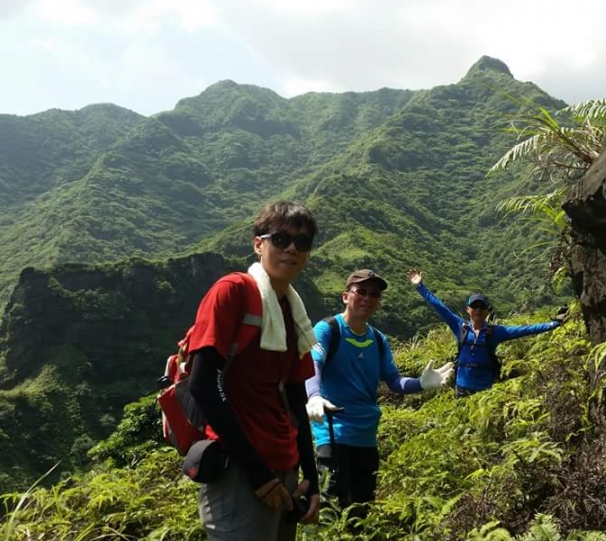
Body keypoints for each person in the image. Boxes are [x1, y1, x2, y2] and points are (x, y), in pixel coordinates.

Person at [188, 200, 321, 540]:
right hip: (240, 469)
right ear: (258, 243)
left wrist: (312, 478)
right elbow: (203, 384)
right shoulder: (233, 291)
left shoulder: (291, 309)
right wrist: (257, 472)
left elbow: (295, 397)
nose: (291, 248)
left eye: (302, 243)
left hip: (284, 467)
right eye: (280, 239)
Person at [304, 269, 454, 508]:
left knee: (362, 510)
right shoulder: (328, 329)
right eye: (360, 292)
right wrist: (314, 396)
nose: (367, 298)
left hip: (366, 438)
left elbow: (394, 381)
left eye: (374, 295)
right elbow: (314, 365)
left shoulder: (378, 339)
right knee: (332, 510)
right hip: (334, 433)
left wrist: (421, 384)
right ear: (345, 296)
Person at [406, 269, 567, 397]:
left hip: (485, 393)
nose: (478, 310)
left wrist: (554, 324)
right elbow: (439, 306)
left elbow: (527, 330)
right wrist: (420, 286)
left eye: (482, 307)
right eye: (474, 306)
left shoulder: (495, 332)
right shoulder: (460, 326)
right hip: (461, 390)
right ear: (468, 310)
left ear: (487, 311)